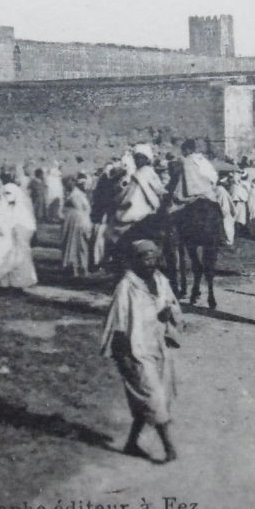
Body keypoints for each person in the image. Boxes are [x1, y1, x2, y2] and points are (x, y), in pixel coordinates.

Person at [101, 239, 184, 464]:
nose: (150, 263)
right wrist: (122, 357)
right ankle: (169, 448)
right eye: (144, 258)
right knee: (153, 397)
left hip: (159, 347)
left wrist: (169, 314)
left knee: (155, 397)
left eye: (153, 258)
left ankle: (131, 444)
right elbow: (117, 324)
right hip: (134, 351)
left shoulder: (160, 280)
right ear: (135, 260)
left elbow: (173, 307)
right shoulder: (126, 287)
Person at [60, 173, 94, 277]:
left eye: (70, 182)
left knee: (80, 246)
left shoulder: (77, 195)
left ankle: (82, 268)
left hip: (78, 223)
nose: (69, 185)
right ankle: (74, 268)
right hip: (72, 224)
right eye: (66, 184)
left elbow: (85, 209)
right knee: (74, 247)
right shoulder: (71, 194)